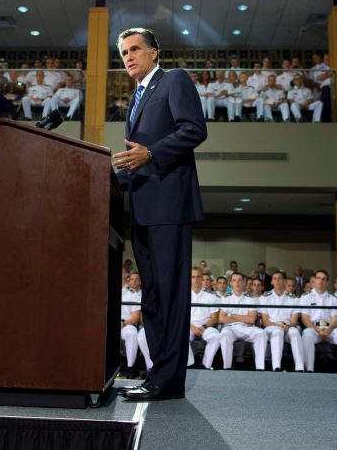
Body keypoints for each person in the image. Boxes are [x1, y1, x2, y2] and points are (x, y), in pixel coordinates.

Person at [112, 28, 207, 402]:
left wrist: (151, 153)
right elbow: (136, 162)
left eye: (135, 49)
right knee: (152, 298)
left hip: (169, 207)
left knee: (170, 296)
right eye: (124, 53)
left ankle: (169, 381)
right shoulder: (136, 97)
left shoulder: (173, 80)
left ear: (153, 52)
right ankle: (157, 376)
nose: (128, 57)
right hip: (143, 211)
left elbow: (194, 129)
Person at [260, 271, 305, 372]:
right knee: (278, 331)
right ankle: (276, 367)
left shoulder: (294, 299)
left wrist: (287, 326)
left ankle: (300, 367)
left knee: (295, 332)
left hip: (287, 327)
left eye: (280, 278)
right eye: (275, 279)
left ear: (284, 281)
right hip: (271, 327)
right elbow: (265, 321)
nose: (277, 281)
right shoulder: (265, 297)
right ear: (271, 282)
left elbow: (294, 321)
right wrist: (278, 326)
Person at [120, 272, 142, 379]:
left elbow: (135, 318)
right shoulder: (122, 291)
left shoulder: (136, 295)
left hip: (127, 324)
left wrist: (123, 324)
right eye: (131, 279)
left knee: (132, 333)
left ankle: (131, 368)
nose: (133, 281)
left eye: (136, 279)